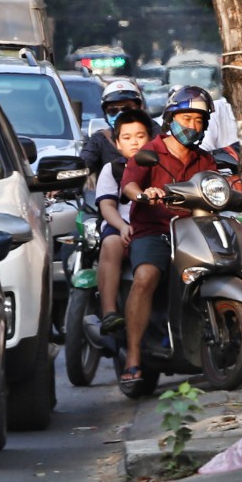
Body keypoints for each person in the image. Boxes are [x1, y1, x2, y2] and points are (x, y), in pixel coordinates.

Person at [117, 85, 219, 384]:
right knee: (146, 277)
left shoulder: (204, 160)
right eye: (186, 118)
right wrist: (143, 195)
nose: (192, 125)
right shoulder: (148, 153)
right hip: (155, 231)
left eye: (199, 121)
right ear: (170, 119)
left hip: (194, 232)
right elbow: (129, 186)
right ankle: (134, 355)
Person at [94, 108, 154, 335]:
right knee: (111, 244)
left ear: (151, 139)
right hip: (121, 225)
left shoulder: (160, 167)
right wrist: (121, 226)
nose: (135, 143)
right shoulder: (113, 169)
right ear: (117, 143)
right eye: (127, 138)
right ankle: (109, 311)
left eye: (140, 136)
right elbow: (107, 206)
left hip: (155, 226)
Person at [80, 80, 159, 174]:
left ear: (139, 109)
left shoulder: (156, 132)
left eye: (127, 109)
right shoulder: (100, 140)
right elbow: (84, 165)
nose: (121, 114)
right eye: (113, 111)